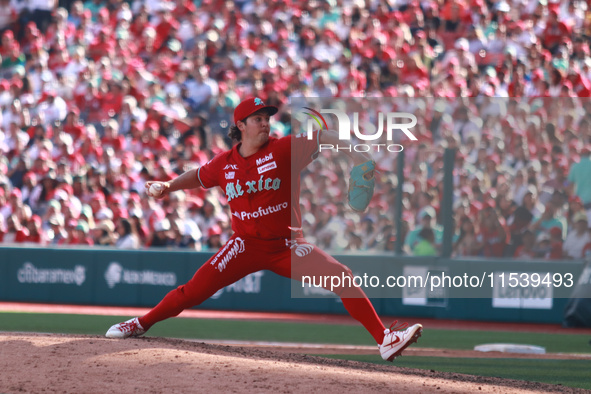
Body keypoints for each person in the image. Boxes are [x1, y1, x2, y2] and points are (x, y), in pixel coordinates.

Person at [105, 97, 423, 361]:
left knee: (341, 277)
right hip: (244, 245)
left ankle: (385, 339)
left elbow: (324, 137)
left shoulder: (283, 149)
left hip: (286, 246)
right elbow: (199, 175)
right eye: (257, 118)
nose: (265, 123)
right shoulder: (225, 163)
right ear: (240, 126)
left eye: (266, 117)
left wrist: (356, 154)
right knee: (192, 292)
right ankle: (141, 323)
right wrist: (168, 186)